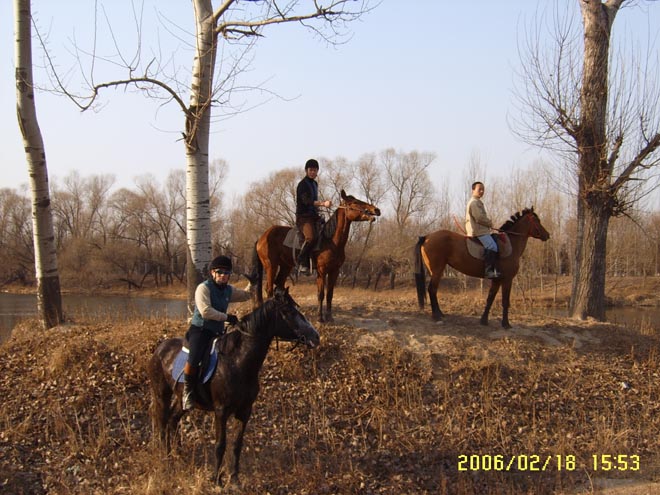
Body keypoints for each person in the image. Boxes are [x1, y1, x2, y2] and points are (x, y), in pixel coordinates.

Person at [182, 255, 252, 411]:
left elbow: (246, 295)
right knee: (195, 357)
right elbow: (205, 311)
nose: (223, 275)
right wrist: (226, 317)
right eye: (219, 272)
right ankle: (188, 391)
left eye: (226, 273)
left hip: (218, 331)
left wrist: (253, 283)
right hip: (200, 330)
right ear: (212, 273)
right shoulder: (203, 288)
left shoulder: (228, 290)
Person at [295, 158, 331, 275]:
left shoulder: (315, 184)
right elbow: (307, 201)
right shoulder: (302, 185)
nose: (313, 172)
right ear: (306, 170)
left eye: (315, 170)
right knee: (310, 238)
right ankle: (301, 261)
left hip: (313, 216)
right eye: (311, 170)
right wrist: (323, 203)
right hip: (303, 217)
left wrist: (321, 209)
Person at [465, 181, 501, 279]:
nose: (481, 191)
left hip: (481, 230)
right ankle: (488, 271)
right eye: (479, 189)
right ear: (473, 190)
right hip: (478, 231)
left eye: (483, 190)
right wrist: (490, 223)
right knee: (492, 246)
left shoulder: (477, 202)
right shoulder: (474, 202)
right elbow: (479, 218)